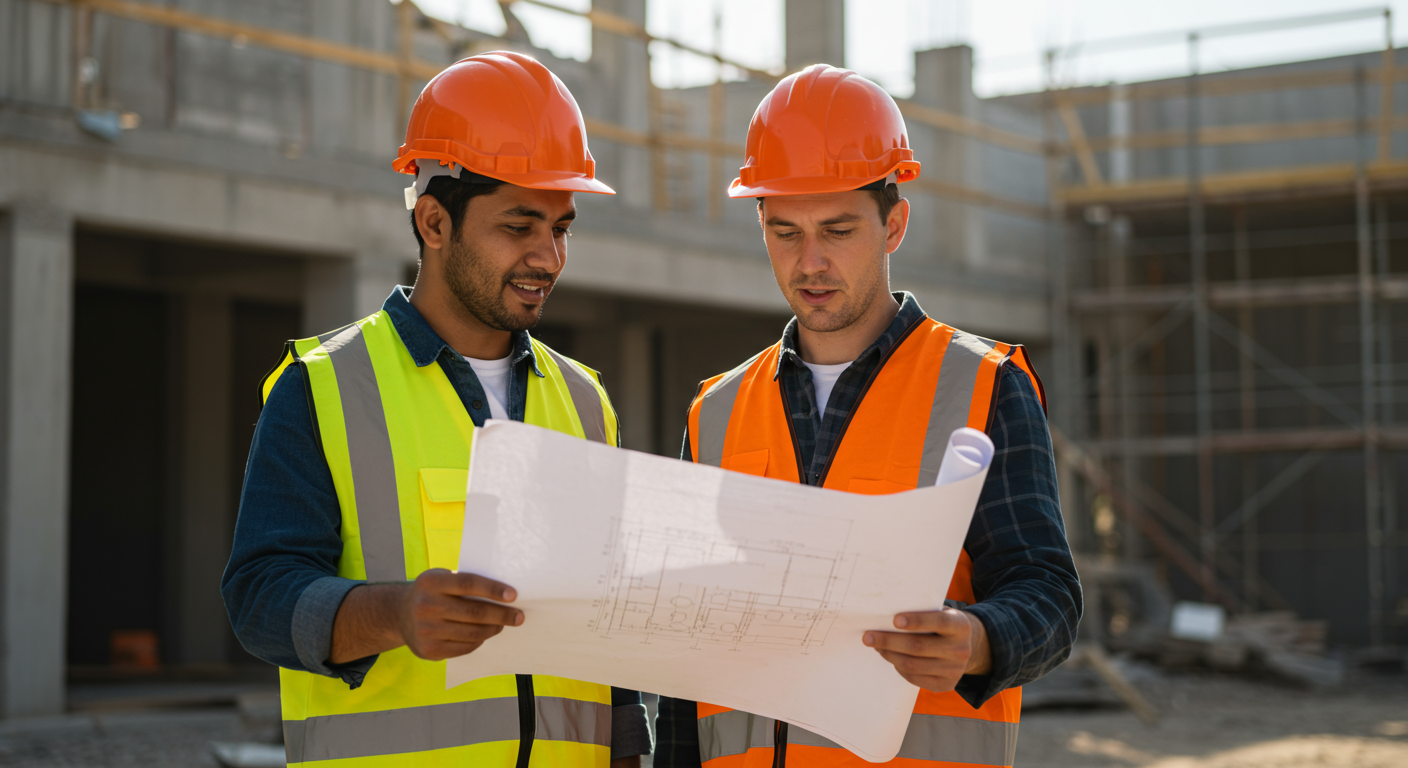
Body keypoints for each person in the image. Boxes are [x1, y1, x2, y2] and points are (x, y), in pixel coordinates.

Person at [222, 52, 651, 768]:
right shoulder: (322, 387)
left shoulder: (585, 401)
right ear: (434, 222)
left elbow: (609, 633)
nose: (548, 257)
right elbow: (260, 600)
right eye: (520, 226)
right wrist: (394, 614)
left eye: (562, 227)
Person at [654, 64, 1082, 767]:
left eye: (839, 229)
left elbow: (1049, 594)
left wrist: (979, 640)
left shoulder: (983, 386)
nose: (811, 261)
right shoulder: (716, 412)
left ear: (894, 224)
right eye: (784, 231)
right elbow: (685, 662)